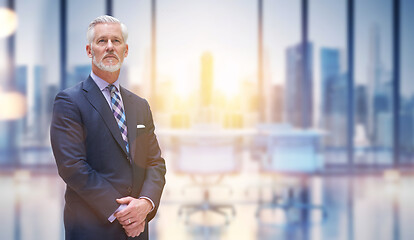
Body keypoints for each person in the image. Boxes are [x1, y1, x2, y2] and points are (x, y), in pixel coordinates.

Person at [50, 15, 166, 240]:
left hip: (137, 229)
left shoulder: (140, 105)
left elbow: (154, 163)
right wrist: (124, 213)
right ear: (89, 50)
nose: (110, 47)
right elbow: (72, 167)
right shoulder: (69, 102)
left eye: (116, 41)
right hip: (92, 228)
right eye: (102, 41)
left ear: (126, 50)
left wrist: (145, 204)